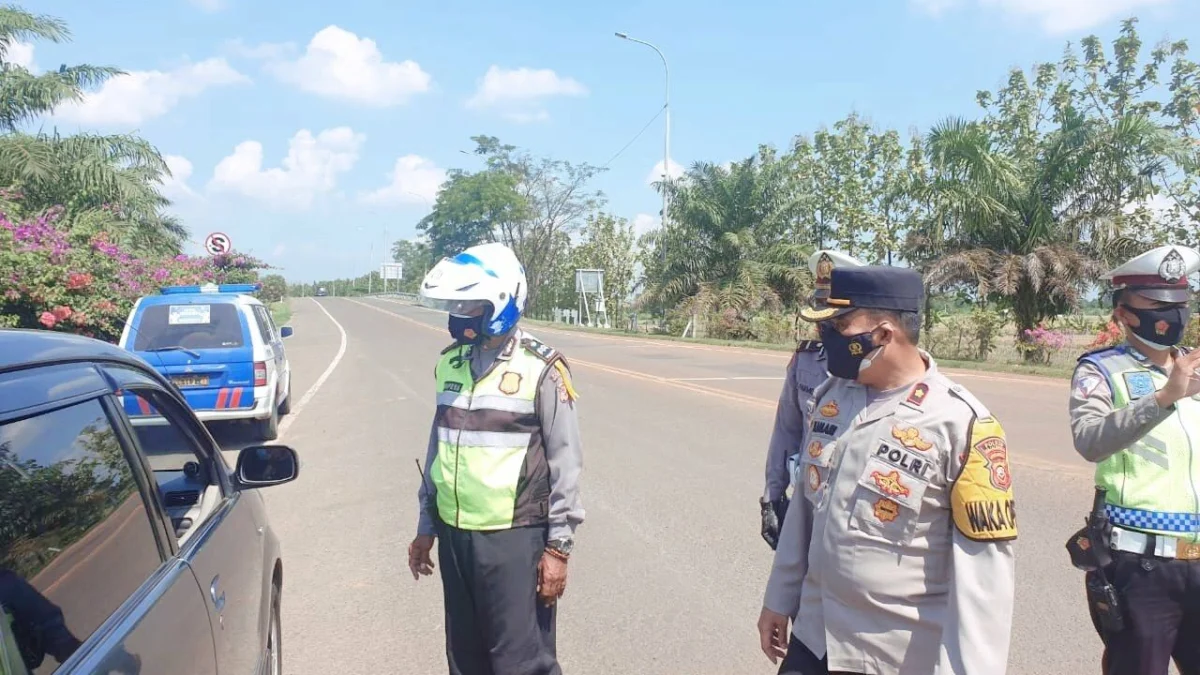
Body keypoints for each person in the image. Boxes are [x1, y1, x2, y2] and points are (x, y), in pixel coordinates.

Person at [756, 265, 1017, 675]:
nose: (826, 337)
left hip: (891, 656)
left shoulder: (960, 425)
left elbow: (985, 576)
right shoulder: (832, 398)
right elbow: (805, 514)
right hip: (814, 639)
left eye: (839, 325)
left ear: (881, 334)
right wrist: (779, 598)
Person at [406, 242, 585, 675]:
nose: (460, 314)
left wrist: (558, 548)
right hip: (455, 536)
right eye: (457, 304)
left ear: (501, 302)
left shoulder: (541, 369)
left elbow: (566, 463)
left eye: (470, 304)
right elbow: (439, 451)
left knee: (521, 662)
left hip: (514, 539)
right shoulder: (449, 363)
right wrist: (426, 528)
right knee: (464, 657)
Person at [1067, 244, 1200, 675]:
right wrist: (1165, 397)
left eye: (1181, 303)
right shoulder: (1101, 369)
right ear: (1124, 313)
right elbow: (1090, 440)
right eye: (1159, 305)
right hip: (1140, 567)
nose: (1175, 314)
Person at [761, 250, 864, 550]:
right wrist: (772, 496)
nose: (823, 325)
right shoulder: (805, 360)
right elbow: (786, 431)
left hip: (856, 515)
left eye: (833, 316)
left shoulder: (876, 368)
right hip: (807, 502)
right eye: (820, 311)